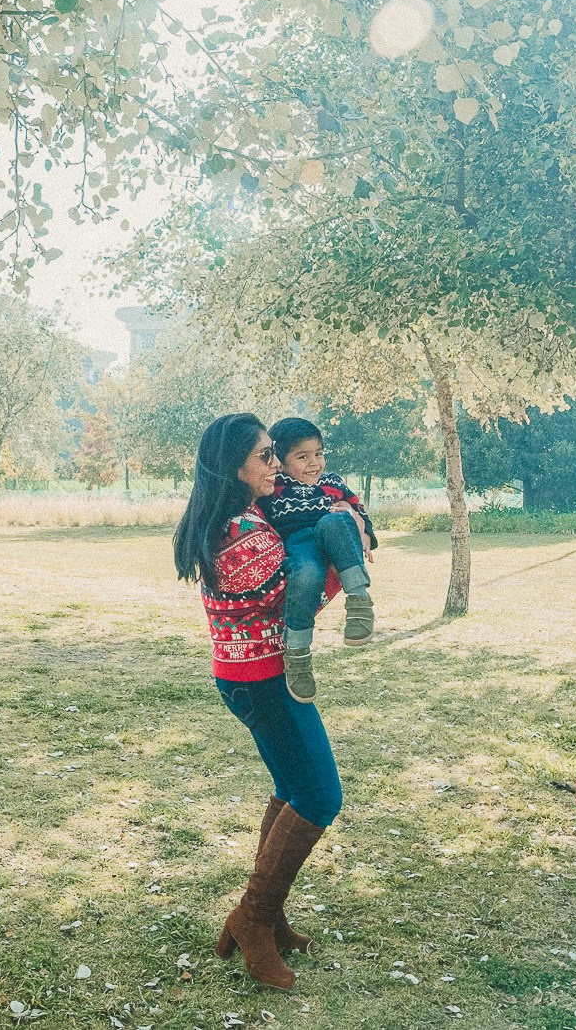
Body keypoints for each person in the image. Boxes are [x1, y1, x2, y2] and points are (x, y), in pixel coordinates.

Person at [173, 413, 341, 991]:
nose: (278, 464)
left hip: (248, 674)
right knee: (320, 795)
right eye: (267, 456)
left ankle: (270, 916)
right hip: (263, 679)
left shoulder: (237, 516)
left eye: (276, 454)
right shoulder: (240, 529)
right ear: (235, 467)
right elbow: (298, 599)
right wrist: (344, 559)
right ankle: (252, 917)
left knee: (292, 789)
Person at [258, 416, 376, 703]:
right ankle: (298, 655)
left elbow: (357, 509)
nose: (315, 463)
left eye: (319, 454)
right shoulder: (273, 488)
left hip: (335, 537)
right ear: (280, 461)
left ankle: (360, 603)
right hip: (300, 546)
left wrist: (366, 534)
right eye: (303, 456)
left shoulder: (333, 482)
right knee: (307, 574)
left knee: (336, 520)